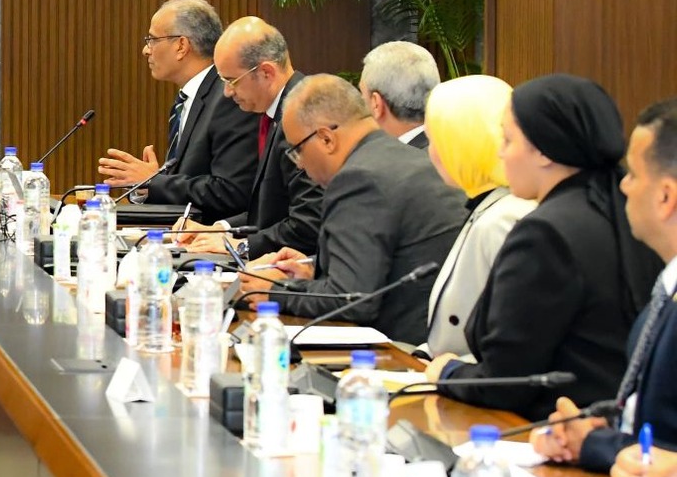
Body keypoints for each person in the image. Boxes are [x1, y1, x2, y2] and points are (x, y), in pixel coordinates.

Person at [426, 75, 661, 419]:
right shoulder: (620, 208)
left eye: (508, 140)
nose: (500, 152)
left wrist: (447, 372)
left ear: (543, 151)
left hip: (553, 427)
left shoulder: (545, 233)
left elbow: (506, 380)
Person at [535, 98, 677, 477]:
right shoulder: (666, 289)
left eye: (632, 174)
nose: (623, 186)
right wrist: (592, 436)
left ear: (666, 196)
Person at [238, 75, 464, 345]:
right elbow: (384, 266)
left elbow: (352, 301)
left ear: (326, 139)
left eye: (297, 150)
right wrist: (314, 271)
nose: (299, 164)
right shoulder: (402, 158)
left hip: (400, 351)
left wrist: (275, 291)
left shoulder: (359, 178)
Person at [96, 0, 257, 221]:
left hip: (212, 234)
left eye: (152, 40)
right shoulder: (188, 99)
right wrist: (148, 186)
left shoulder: (229, 98)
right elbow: (188, 183)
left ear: (181, 46)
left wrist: (155, 181)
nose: (145, 50)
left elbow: (231, 190)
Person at [175, 18, 323, 258]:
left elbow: (308, 224)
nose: (226, 92)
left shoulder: (303, 116)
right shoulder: (277, 112)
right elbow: (271, 211)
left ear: (266, 72)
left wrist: (241, 246)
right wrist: (219, 229)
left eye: (231, 81)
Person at [416, 75, 536, 358]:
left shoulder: (504, 219)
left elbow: (512, 338)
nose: (430, 153)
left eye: (434, 141)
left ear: (460, 145)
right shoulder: (491, 207)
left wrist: (449, 370)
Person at [359, 40, 438, 150]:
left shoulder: (386, 159)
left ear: (376, 104)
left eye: (363, 95)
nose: (362, 100)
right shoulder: (452, 147)